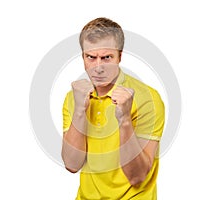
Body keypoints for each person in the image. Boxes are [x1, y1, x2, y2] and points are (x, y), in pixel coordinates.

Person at [61, 17, 165, 200]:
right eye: (91, 58)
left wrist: (125, 120)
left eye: (106, 57)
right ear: (83, 56)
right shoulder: (73, 97)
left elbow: (137, 177)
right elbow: (71, 164)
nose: (98, 67)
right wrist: (79, 110)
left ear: (120, 56)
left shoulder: (148, 98)